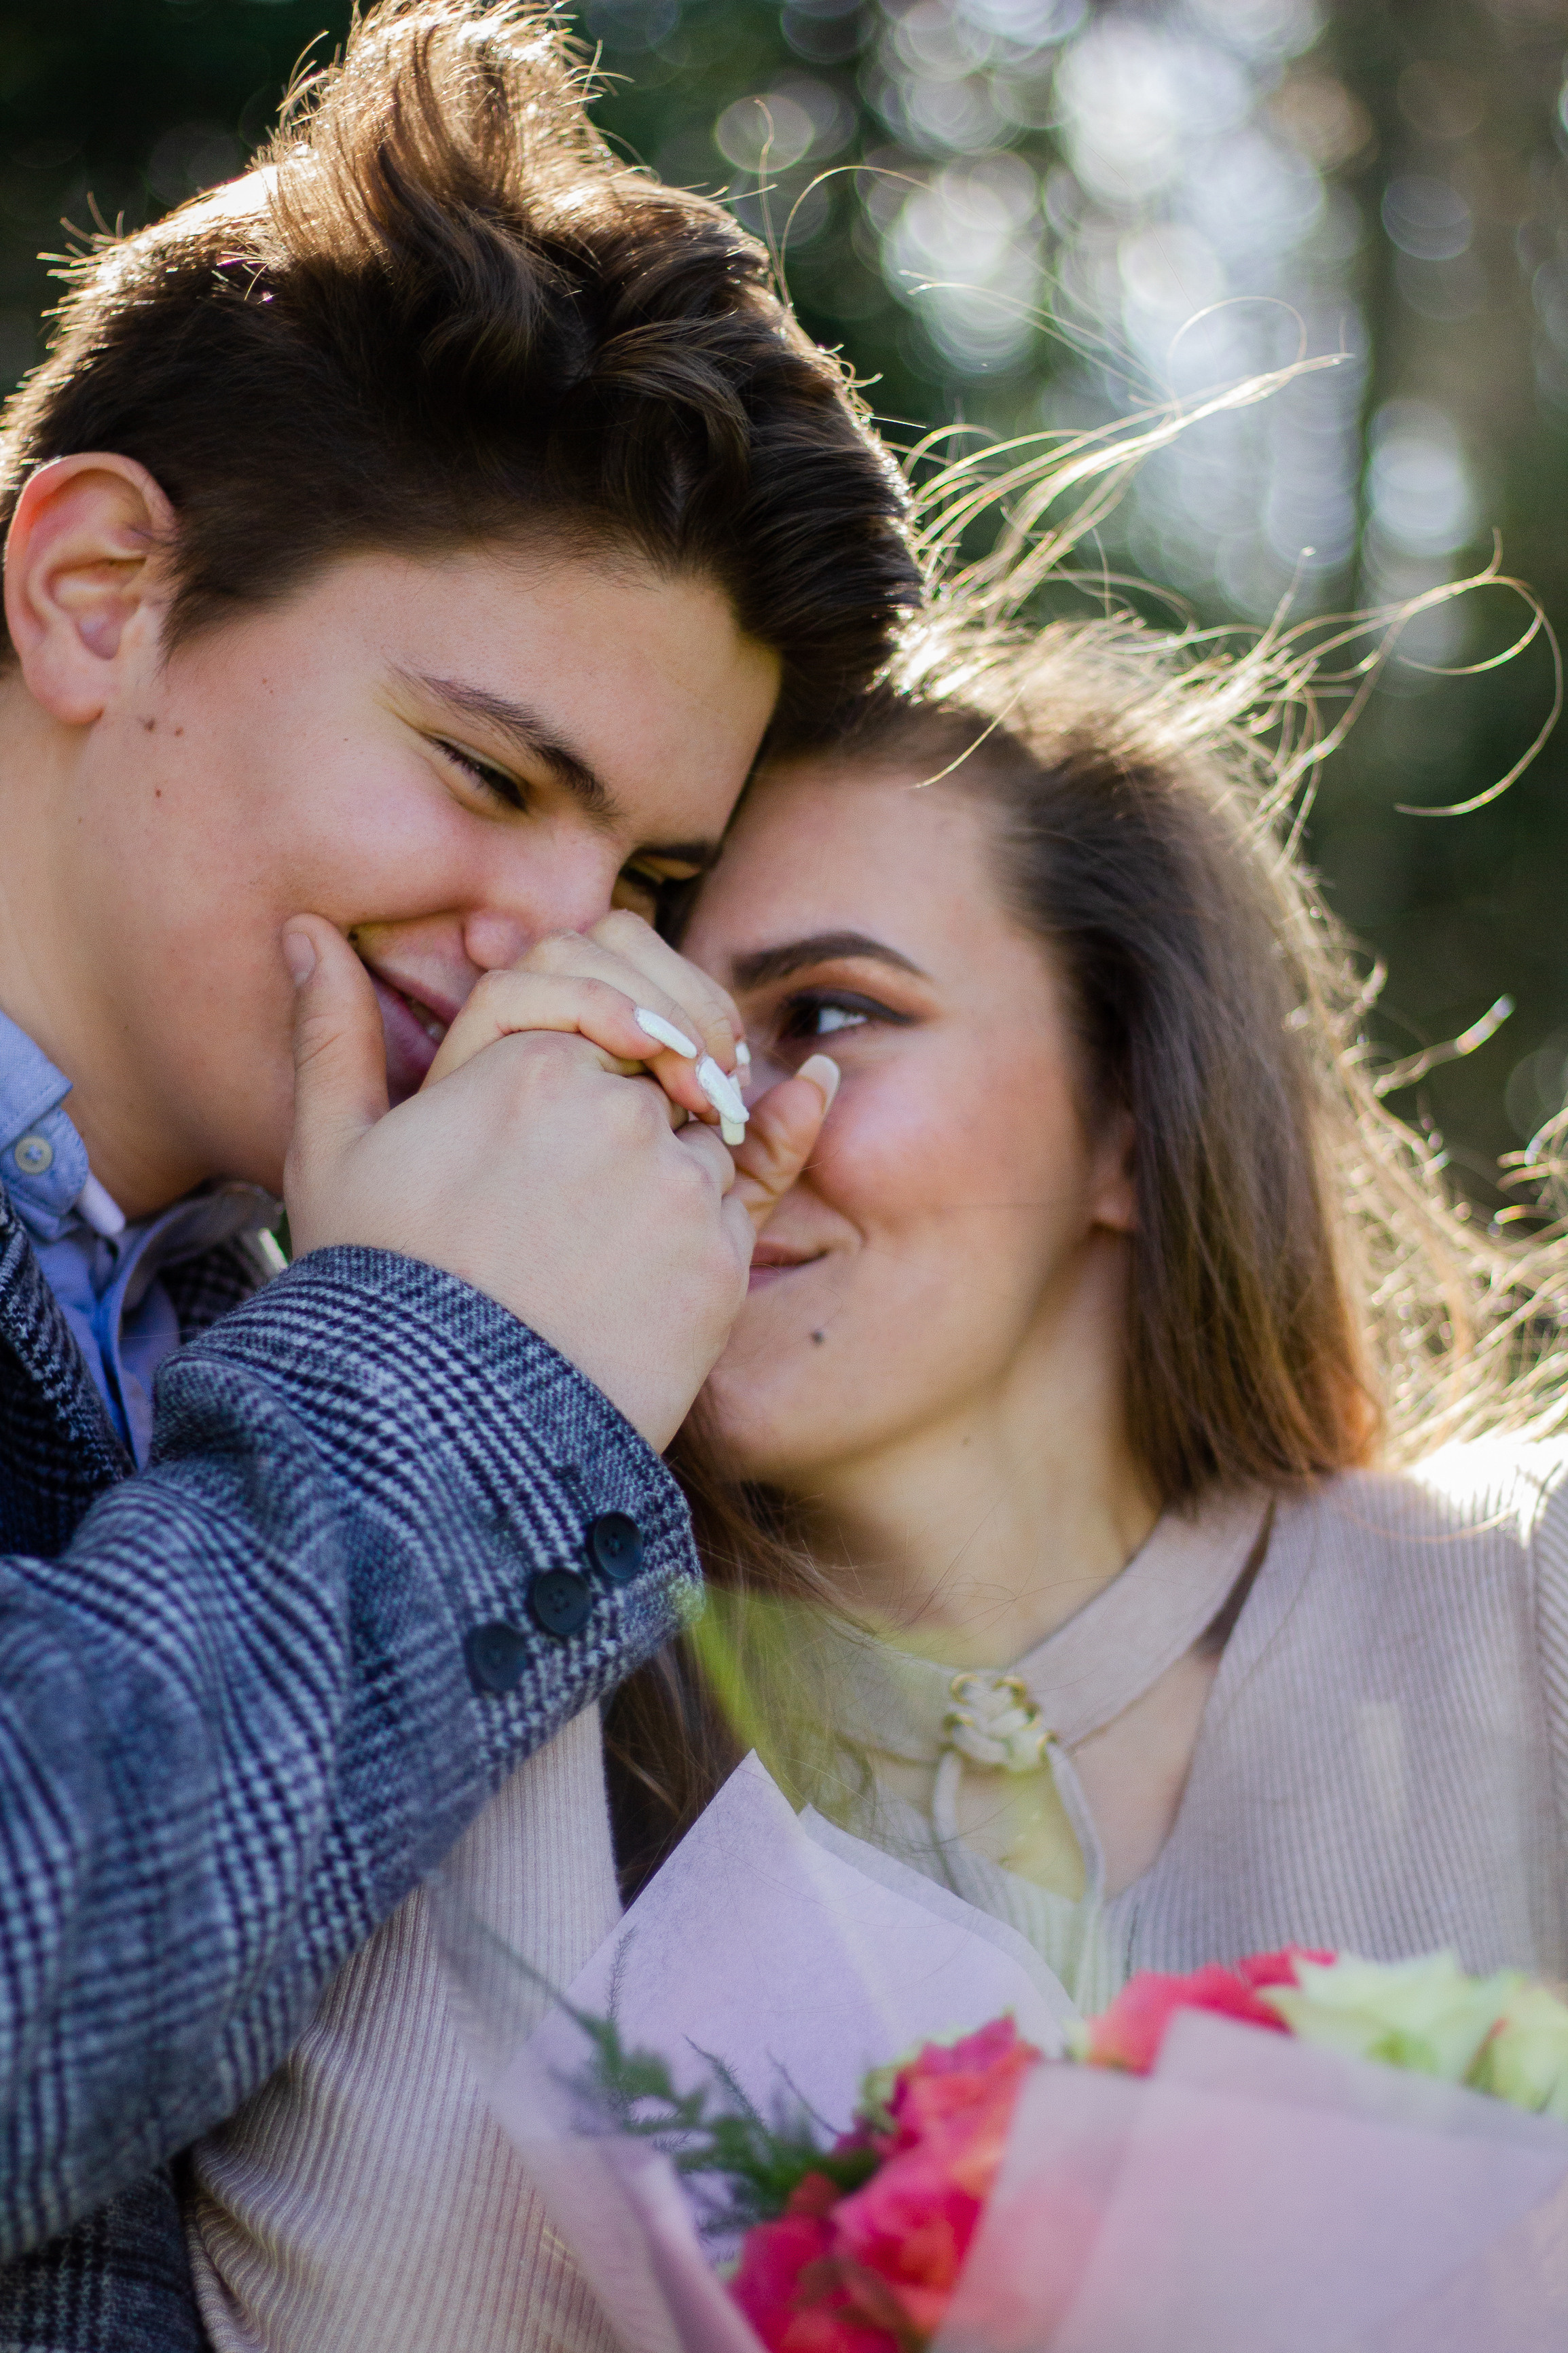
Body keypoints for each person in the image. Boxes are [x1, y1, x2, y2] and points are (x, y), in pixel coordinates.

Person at [0, 0, 919, 2342]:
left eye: (650, 874)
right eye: (492, 776)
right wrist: (455, 1368)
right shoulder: (427, 1346)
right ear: (98, 589)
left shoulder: (292, 1288)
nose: (561, 944)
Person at [603, 605, 1568, 2007]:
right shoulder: (548, 1766)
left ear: (1127, 1115)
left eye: (824, 1013)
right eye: (643, 1040)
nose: (704, 1114)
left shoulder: (1532, 1600)